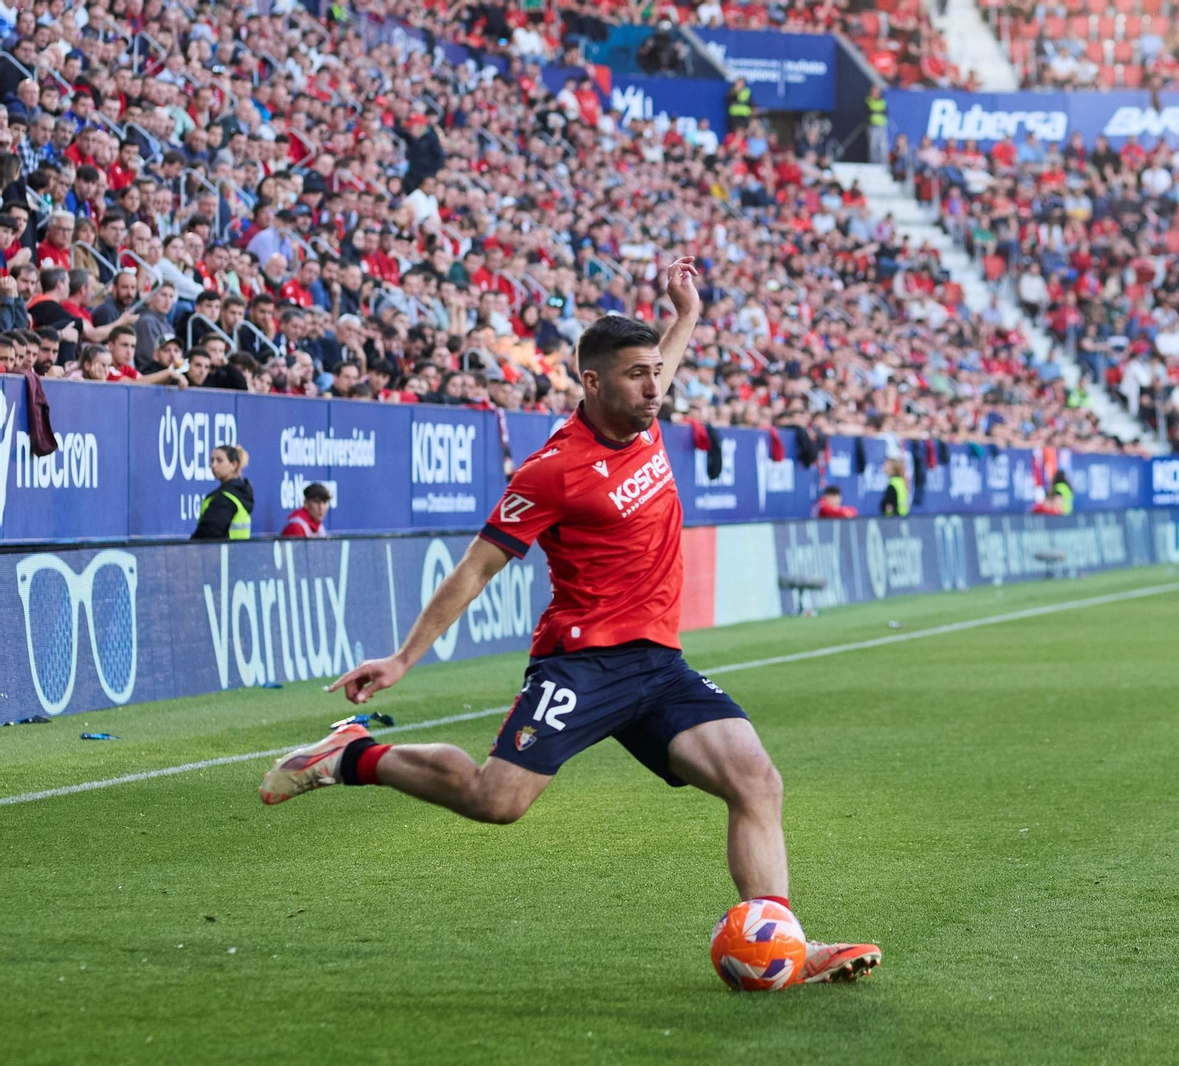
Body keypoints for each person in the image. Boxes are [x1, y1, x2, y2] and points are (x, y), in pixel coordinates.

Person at [260, 257, 880, 986]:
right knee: (498, 802)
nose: (656, 387)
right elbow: (476, 569)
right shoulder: (552, 471)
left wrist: (688, 314)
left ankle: (782, 942)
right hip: (582, 663)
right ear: (591, 383)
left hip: (658, 663)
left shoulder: (643, 418)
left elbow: (665, 360)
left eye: (658, 372)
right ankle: (353, 755)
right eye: (638, 376)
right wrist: (402, 660)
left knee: (757, 780)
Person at [192, 444, 253, 540]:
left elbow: (207, 534)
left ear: (234, 465)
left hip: (222, 554)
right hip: (237, 554)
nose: (213, 465)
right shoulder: (241, 493)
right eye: (212, 460)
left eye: (219, 460)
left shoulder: (226, 499)